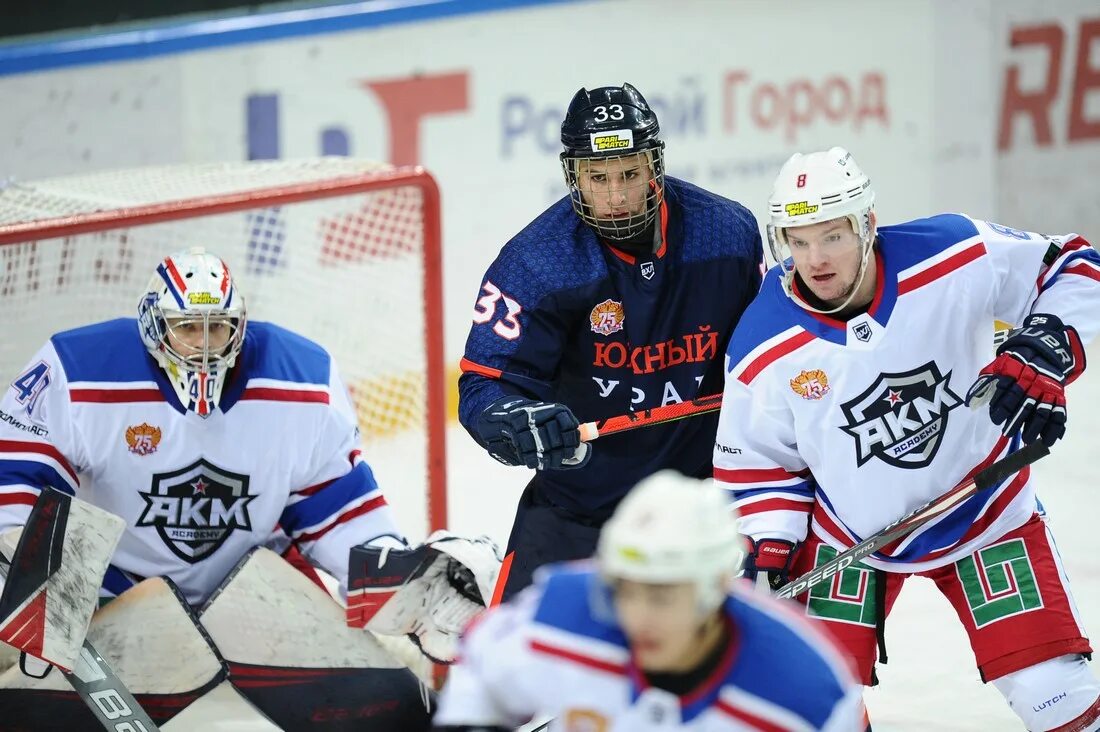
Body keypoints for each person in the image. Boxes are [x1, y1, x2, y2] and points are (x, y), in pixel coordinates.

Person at [714, 146, 1100, 731]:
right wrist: (770, 544)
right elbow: (760, 464)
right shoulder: (761, 340)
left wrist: (1046, 345)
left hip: (986, 510)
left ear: (867, 224)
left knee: (1056, 694)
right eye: (798, 241)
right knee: (805, 710)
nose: (814, 259)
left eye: (832, 236)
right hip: (851, 532)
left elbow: (1075, 266)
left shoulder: (953, 252)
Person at [0, 246, 497, 665]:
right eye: (187, 328)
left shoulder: (304, 380)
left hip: (253, 588)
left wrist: (404, 584)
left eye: (218, 329)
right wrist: (18, 553)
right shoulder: (77, 369)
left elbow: (338, 512)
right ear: (155, 326)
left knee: (381, 703)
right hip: (115, 592)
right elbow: (18, 473)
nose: (203, 345)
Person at [458, 82, 763, 601]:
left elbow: (770, 357)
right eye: (598, 178)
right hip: (580, 505)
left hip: (706, 506)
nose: (617, 195)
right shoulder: (538, 263)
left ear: (654, 168)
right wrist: (511, 419)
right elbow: (483, 386)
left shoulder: (727, 236)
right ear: (574, 176)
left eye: (629, 173)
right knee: (513, 667)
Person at [432, 470, 866, 731]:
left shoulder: (806, 692)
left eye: (661, 595)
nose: (637, 616)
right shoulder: (563, 613)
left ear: (716, 585)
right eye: (625, 588)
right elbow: (483, 666)